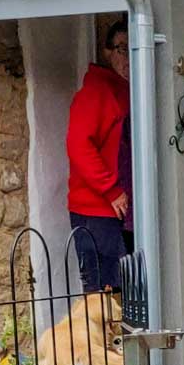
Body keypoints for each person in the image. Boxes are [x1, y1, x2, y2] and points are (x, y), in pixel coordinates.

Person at [65, 20, 133, 293]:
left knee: (129, 289)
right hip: (98, 211)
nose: (128, 58)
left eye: (133, 49)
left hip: (122, 211)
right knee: (104, 293)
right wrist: (111, 190)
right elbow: (79, 144)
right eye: (122, 49)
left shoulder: (129, 90)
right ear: (107, 53)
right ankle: (102, 338)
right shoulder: (96, 92)